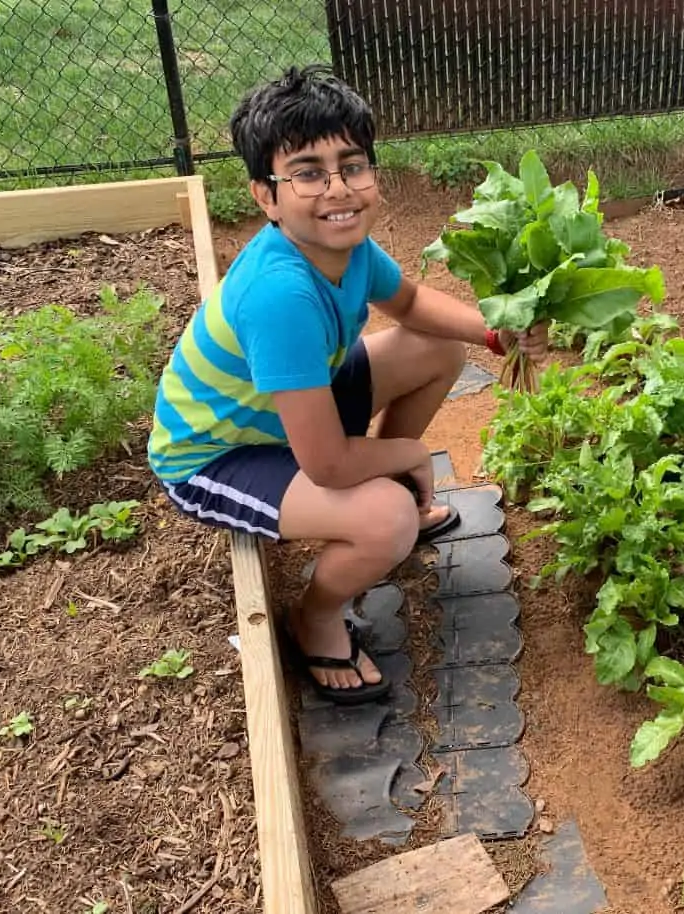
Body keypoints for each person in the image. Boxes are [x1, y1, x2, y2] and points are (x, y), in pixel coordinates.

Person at [146, 65, 548, 705]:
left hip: (295, 417)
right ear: (265, 196)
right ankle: (315, 615)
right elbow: (328, 462)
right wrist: (409, 456)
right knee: (385, 518)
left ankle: (384, 496)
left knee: (436, 348)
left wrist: (496, 333)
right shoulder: (280, 295)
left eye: (352, 164)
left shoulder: (346, 246)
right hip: (220, 455)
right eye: (307, 172)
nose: (337, 187)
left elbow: (412, 305)